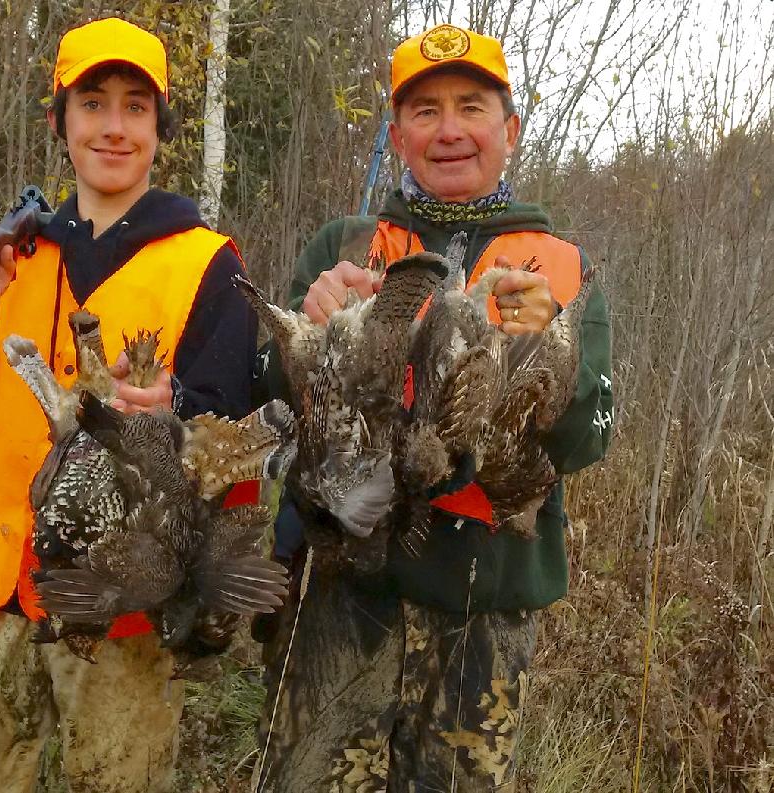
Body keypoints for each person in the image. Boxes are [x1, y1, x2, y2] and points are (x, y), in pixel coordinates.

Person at [253, 23, 614, 791]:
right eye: (424, 111)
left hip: (485, 608)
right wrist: (309, 331)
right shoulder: (345, 245)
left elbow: (588, 435)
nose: (449, 130)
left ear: (509, 130)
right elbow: (266, 387)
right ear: (397, 134)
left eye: (471, 107)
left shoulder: (565, 269)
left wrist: (552, 350)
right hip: (343, 596)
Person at [0, 17, 257, 793]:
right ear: (58, 120)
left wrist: (179, 416)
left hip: (121, 611)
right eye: (92, 102)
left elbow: (234, 444)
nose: (112, 126)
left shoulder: (207, 263)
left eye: (136, 107)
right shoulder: (10, 256)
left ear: (160, 130)